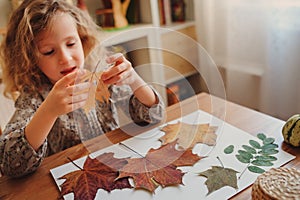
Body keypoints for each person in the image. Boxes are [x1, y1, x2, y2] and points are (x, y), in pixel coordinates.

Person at [0, 0, 164, 178]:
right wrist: (48, 111)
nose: (66, 57)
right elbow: (10, 164)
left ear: (83, 40)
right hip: (66, 180)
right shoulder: (34, 94)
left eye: (71, 44)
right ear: (30, 59)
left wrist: (134, 80)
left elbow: (154, 116)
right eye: (48, 51)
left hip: (113, 168)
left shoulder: (100, 75)